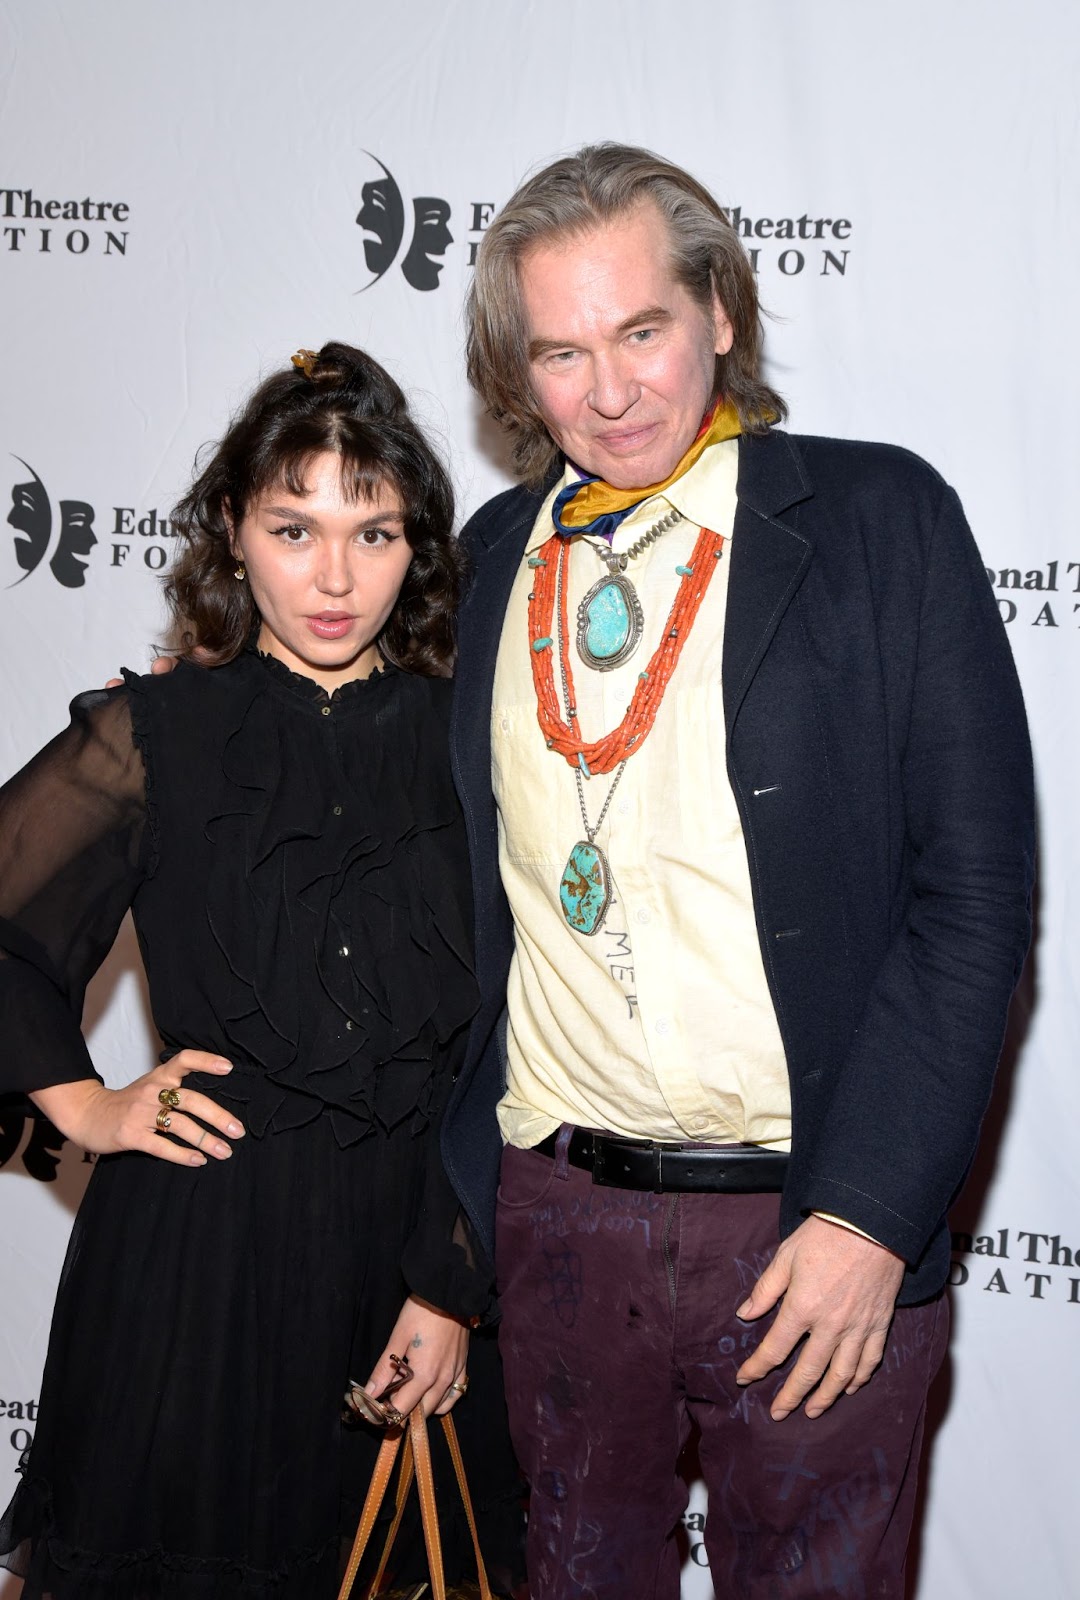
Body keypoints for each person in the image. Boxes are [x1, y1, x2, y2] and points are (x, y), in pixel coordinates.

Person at [438, 144, 1036, 1598]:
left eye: (642, 330)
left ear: (718, 309)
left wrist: (871, 1218)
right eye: (564, 353)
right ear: (521, 376)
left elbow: (974, 902)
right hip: (560, 1219)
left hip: (810, 1226)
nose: (614, 389)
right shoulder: (494, 552)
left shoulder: (880, 522)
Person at [0, 343, 522, 1599]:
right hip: (198, 1264)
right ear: (234, 531)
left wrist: (450, 1285)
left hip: (411, 1263)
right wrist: (89, 1104)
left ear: (422, 546)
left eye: (376, 531)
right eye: (295, 527)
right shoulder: (156, 731)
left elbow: (517, 1037)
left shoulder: (482, 740)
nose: (335, 577)